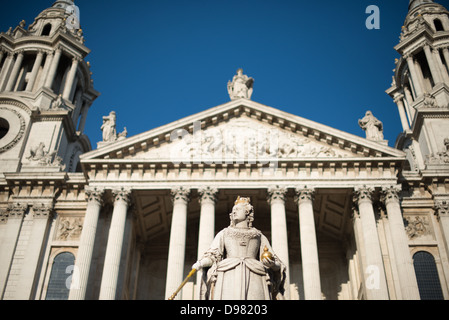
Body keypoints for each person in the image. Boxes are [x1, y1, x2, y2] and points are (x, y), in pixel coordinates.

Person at [193, 196, 286, 300]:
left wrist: (272, 264)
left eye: (237, 209)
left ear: (247, 212)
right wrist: (201, 263)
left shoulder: (258, 236)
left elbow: (277, 264)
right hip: (227, 274)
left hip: (255, 274)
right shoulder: (224, 233)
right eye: (233, 210)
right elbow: (213, 255)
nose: (234, 212)